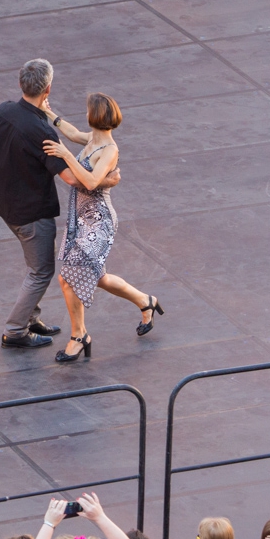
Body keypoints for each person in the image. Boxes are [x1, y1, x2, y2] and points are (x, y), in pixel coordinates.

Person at [39, 93, 161, 360]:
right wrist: (49, 112)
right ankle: (145, 301)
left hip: (98, 221)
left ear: (93, 115)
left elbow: (92, 181)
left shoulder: (109, 149)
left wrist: (66, 156)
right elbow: (71, 133)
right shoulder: (94, 139)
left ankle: (78, 336)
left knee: (68, 276)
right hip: (82, 218)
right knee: (99, 277)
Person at [0, 58, 70, 349]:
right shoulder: (44, 133)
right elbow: (70, 178)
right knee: (42, 270)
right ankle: (15, 330)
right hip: (31, 213)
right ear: (47, 89)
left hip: (4, 203)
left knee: (35, 265)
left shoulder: (4, 111)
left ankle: (31, 317)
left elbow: (0, 134)